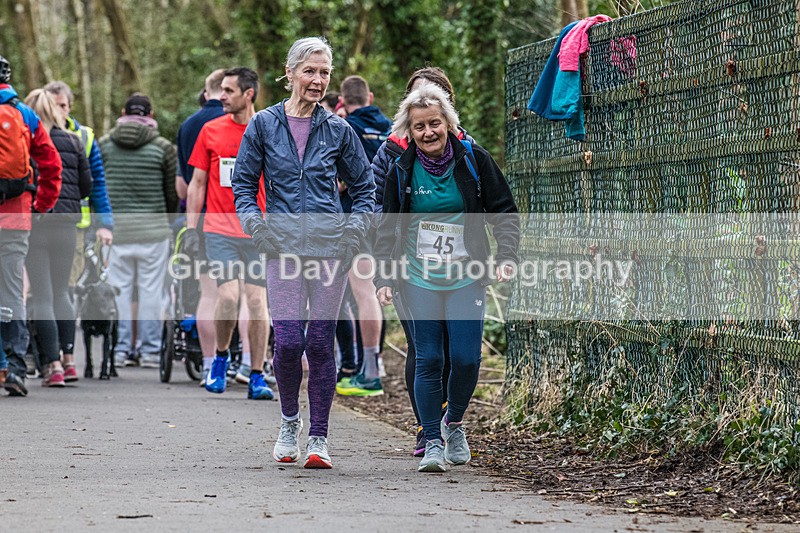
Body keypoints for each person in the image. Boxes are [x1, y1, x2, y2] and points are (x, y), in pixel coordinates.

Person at [233, 36, 375, 469]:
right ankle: (289, 422)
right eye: (310, 71)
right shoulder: (262, 125)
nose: (318, 80)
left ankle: (319, 438)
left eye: (325, 72)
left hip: (331, 249)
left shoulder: (338, 129)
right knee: (290, 340)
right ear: (291, 72)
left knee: (319, 341)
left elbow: (365, 188)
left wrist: (352, 236)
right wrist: (259, 229)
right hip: (282, 248)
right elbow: (242, 186)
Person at [373, 82, 519, 472]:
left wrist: (506, 255)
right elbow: (386, 229)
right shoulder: (401, 169)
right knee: (429, 357)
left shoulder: (473, 160)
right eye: (419, 127)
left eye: (434, 123)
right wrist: (384, 278)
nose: (428, 133)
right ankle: (432, 442)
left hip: (466, 277)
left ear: (448, 124)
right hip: (417, 279)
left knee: (467, 358)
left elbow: (503, 210)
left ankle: (453, 422)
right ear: (409, 131)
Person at [371, 66, 467, 456]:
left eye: (433, 93)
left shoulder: (465, 148)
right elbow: (376, 202)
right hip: (409, 265)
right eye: (416, 94)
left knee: (455, 350)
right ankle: (426, 429)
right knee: (424, 349)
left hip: (459, 269)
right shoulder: (391, 150)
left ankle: (448, 421)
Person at [185, 67, 273, 400]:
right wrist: (191, 229)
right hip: (219, 228)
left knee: (256, 301)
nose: (221, 96)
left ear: (248, 94)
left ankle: (256, 374)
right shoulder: (210, 130)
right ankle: (220, 358)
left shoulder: (267, 130)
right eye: (220, 90)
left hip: (257, 230)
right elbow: (197, 184)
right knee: (227, 296)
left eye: (228, 91)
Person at [99, 93, 178, 368]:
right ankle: (150, 351)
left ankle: (120, 350)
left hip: (116, 232)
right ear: (151, 115)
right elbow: (172, 194)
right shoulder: (164, 147)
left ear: (123, 112)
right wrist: (165, 220)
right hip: (153, 232)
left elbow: (98, 187)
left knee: (118, 292)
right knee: (151, 292)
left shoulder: (105, 145)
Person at [0, 55, 63, 396]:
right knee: (11, 291)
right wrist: (41, 205)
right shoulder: (25, 116)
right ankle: (14, 368)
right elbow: (51, 165)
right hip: (15, 217)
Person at [44, 81, 114, 379]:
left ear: (69, 106)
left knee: (65, 290)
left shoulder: (83, 136)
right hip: (36, 224)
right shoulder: (37, 132)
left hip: (75, 227)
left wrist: (105, 224)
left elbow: (96, 182)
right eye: (53, 105)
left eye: (62, 105)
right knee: (41, 291)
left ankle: (63, 352)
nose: (58, 110)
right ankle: (45, 352)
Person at [23, 89, 92, 386]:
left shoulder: (26, 140)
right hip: (67, 223)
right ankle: (70, 359)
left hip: (36, 221)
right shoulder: (74, 141)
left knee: (42, 295)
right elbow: (86, 185)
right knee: (62, 291)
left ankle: (53, 366)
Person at [334, 75, 392, 397]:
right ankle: (375, 363)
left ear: (342, 101)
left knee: (360, 293)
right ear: (369, 96)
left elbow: (342, 180)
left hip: (355, 216)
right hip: (385, 217)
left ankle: (366, 372)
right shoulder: (391, 126)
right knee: (374, 291)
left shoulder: (345, 129)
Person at [174, 69, 228, 386]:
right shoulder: (253, 123)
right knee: (249, 295)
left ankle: (210, 364)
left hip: (204, 218)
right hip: (245, 219)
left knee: (208, 294)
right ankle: (250, 364)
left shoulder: (189, 126)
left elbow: (185, 187)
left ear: (206, 92)